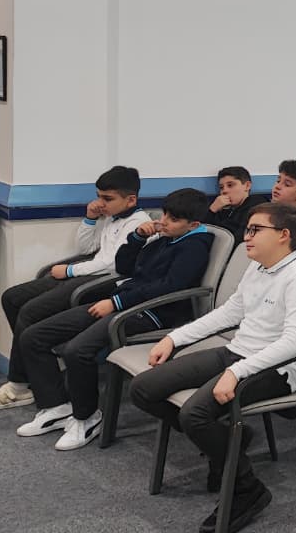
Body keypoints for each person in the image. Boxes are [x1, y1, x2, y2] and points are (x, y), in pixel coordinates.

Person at [129, 203, 296, 531]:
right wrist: (174, 339)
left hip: (279, 368)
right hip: (238, 353)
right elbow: (230, 312)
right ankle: (230, 441)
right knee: (143, 389)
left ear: (284, 235)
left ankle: (247, 489)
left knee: (194, 415)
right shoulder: (258, 267)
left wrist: (237, 372)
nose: (246, 236)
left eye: (255, 230)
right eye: (247, 229)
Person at [14, 188, 214, 449]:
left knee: (77, 350)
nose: (163, 221)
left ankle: (87, 418)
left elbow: (168, 288)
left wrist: (117, 303)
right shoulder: (167, 238)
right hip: (125, 302)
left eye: (173, 219)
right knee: (33, 336)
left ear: (193, 225)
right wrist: (137, 237)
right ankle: (56, 407)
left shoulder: (194, 247)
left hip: (151, 313)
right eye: (164, 214)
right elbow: (125, 267)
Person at [0, 165, 150, 410]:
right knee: (12, 297)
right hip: (87, 273)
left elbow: (113, 264)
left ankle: (21, 385)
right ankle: (38, 368)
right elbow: (86, 249)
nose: (100, 203)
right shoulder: (112, 217)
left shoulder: (138, 223)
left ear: (131, 199)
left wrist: (70, 271)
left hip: (104, 282)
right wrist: (90, 218)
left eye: (107, 198)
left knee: (30, 311)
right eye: (98, 196)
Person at [203, 166, 270, 243]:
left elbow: (236, 236)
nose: (224, 191)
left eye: (230, 185)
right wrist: (212, 210)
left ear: (247, 186)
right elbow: (204, 231)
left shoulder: (256, 203)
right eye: (221, 187)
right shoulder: (222, 210)